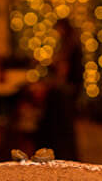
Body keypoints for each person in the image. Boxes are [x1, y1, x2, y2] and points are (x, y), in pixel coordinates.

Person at [33, 18, 82, 160]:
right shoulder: (71, 44)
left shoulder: (69, 46)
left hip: (67, 92)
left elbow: (63, 73)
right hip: (71, 90)